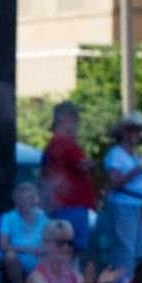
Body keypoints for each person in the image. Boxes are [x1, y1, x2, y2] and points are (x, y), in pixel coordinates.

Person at [39, 101, 96, 252]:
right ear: (63, 120)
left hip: (63, 206)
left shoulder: (54, 144)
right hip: (71, 206)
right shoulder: (63, 143)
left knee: (66, 250)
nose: (78, 124)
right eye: (75, 119)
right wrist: (93, 162)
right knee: (72, 249)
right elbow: (83, 165)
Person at [104, 111, 142, 274]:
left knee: (137, 250)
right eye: (134, 130)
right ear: (125, 132)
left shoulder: (135, 156)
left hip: (138, 204)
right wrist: (136, 171)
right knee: (126, 251)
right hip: (123, 203)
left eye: (139, 131)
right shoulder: (116, 154)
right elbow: (113, 182)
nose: (138, 135)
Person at [0, 181, 48, 283]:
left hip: (38, 258)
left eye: (32, 198)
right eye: (25, 199)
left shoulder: (44, 219)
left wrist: (44, 249)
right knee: (10, 256)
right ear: (17, 201)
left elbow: (50, 244)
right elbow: (3, 245)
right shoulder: (8, 217)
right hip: (19, 258)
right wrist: (28, 249)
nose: (30, 201)